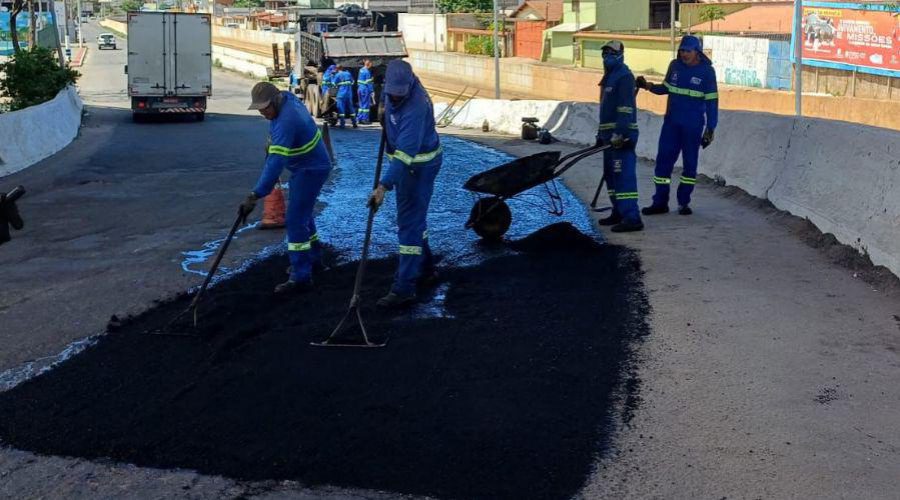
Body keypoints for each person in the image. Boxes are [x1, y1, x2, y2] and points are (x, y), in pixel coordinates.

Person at [241, 82, 333, 294]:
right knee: (303, 214)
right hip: (306, 166)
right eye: (260, 109)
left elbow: (275, 163)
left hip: (310, 169)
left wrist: (255, 194)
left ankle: (301, 275)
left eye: (266, 108)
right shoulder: (285, 99)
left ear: (275, 101)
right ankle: (315, 259)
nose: (263, 113)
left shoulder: (287, 120)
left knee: (295, 220)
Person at [367, 60, 442, 308]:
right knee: (414, 220)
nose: (396, 99)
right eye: (392, 95)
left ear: (409, 87)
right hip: (406, 165)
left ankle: (405, 287)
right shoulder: (393, 86)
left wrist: (383, 186)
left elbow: (404, 156)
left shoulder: (416, 107)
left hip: (417, 168)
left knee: (408, 225)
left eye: (400, 96)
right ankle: (426, 268)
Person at [636, 35, 718, 216]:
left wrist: (710, 128)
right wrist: (648, 86)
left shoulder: (707, 72)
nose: (683, 54)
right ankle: (660, 202)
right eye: (681, 50)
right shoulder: (674, 66)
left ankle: (683, 203)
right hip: (671, 125)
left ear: (697, 52)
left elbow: (712, 102)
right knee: (663, 163)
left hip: (693, 126)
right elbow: (666, 88)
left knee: (689, 166)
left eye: (687, 51)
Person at [595, 40, 643, 233]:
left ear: (621, 55)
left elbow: (625, 109)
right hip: (608, 137)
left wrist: (620, 133)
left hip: (621, 138)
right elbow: (605, 111)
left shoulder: (624, 77)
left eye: (611, 54)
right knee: (611, 176)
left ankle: (632, 217)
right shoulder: (609, 77)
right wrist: (601, 134)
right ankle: (618, 211)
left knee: (623, 177)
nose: (607, 57)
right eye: (604, 54)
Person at [332, 64, 357, 129]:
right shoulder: (348, 73)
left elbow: (333, 84)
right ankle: (354, 123)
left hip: (341, 94)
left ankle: (342, 124)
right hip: (349, 94)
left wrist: (332, 76)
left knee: (341, 109)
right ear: (342, 68)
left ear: (337, 69)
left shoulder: (337, 75)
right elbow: (352, 82)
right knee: (351, 108)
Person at [356, 59, 374, 124]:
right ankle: (365, 119)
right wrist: (372, 91)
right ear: (368, 64)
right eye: (371, 64)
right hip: (365, 89)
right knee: (366, 105)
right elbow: (368, 83)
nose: (372, 65)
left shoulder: (361, 70)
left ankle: (359, 118)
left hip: (360, 88)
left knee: (361, 104)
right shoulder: (367, 72)